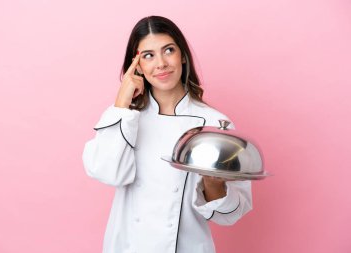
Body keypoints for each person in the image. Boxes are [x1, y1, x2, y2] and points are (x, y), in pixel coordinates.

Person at [82, 16, 252, 253]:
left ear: (182, 55)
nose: (160, 63)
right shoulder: (125, 118)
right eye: (148, 55)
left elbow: (231, 214)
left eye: (168, 50)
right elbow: (107, 172)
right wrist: (121, 104)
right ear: (137, 65)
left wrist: (214, 185)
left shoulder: (215, 124)